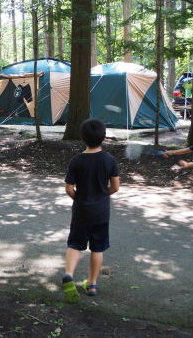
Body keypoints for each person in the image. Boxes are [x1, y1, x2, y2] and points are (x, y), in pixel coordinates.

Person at [63, 118, 120, 303]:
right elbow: (116, 187)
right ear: (104, 138)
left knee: (75, 244)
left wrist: (79, 198)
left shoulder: (76, 161)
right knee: (98, 247)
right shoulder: (109, 160)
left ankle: (69, 275)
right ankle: (92, 283)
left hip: (81, 211)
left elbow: (69, 188)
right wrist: (103, 194)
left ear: (81, 137)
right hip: (101, 212)